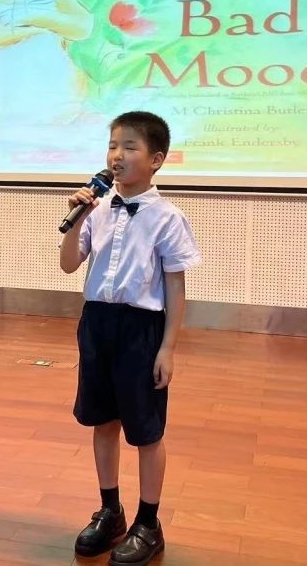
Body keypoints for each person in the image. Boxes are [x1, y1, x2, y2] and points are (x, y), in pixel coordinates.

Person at [59, 111, 201, 565]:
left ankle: (148, 522)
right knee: (102, 421)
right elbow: (68, 264)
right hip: (97, 324)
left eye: (129, 147)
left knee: (145, 430)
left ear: (155, 159)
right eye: (112, 146)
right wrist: (76, 218)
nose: (117, 155)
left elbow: (175, 288)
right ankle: (110, 510)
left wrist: (168, 348)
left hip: (142, 330)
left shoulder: (168, 217)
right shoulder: (97, 210)